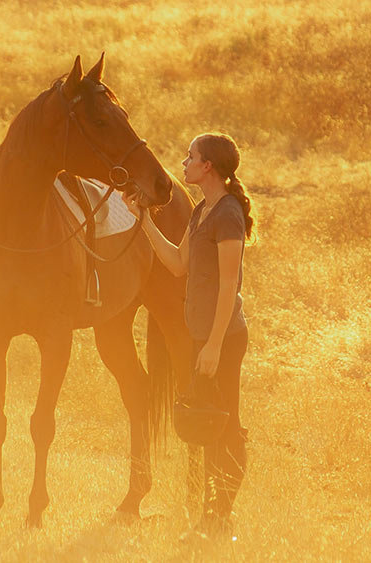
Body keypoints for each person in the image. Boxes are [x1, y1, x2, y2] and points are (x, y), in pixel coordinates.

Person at [124, 132, 254, 536]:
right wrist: (143, 220)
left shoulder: (228, 214)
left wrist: (214, 345)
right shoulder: (202, 211)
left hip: (224, 337)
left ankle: (218, 519)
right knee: (206, 423)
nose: (183, 163)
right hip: (203, 334)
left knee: (224, 426)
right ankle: (211, 518)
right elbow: (177, 264)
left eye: (190, 157)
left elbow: (229, 284)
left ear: (207, 167)